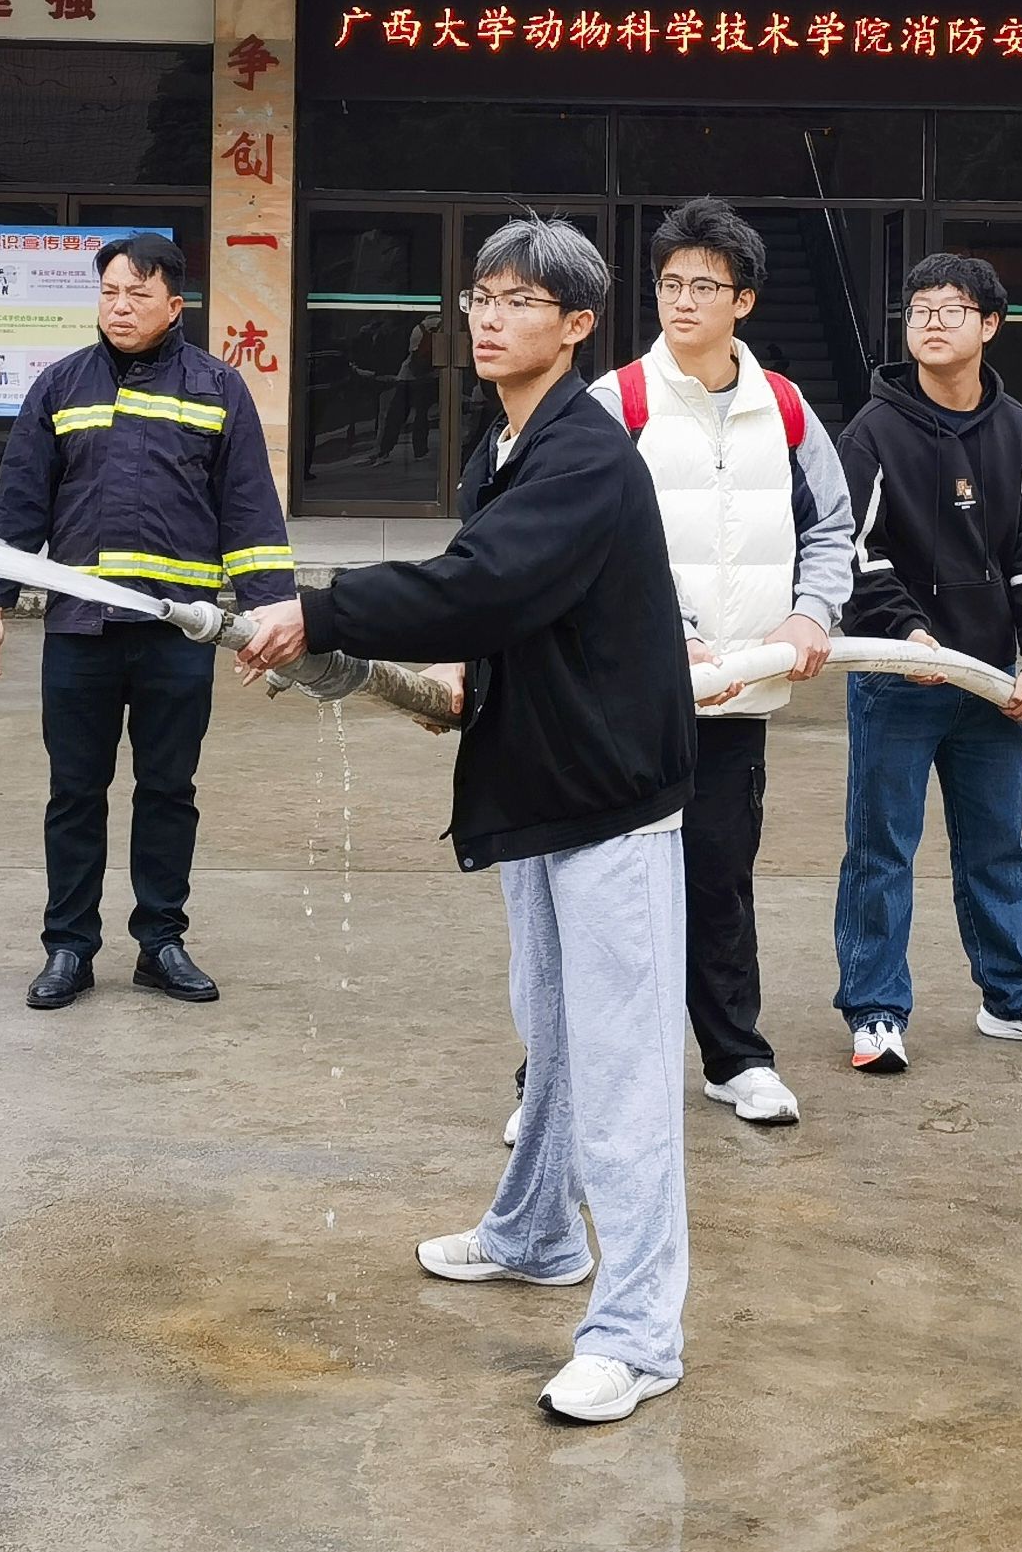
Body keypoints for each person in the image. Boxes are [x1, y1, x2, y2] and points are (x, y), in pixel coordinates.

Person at [237, 217, 696, 1427]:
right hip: (535, 785)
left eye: (518, 300)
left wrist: (324, 611)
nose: (488, 319)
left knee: (624, 1079)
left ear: (577, 326)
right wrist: (440, 678)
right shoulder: (505, 445)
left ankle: (638, 1335)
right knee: (553, 1037)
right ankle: (537, 1232)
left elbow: (487, 583)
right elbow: (504, 609)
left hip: (606, 800)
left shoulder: (584, 455)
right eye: (479, 296)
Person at [0, 232, 294, 1012]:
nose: (119, 307)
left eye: (137, 295)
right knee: (74, 791)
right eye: (109, 292)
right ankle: (69, 947)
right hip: (80, 632)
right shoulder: (60, 386)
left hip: (178, 637)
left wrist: (269, 616)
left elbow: (249, 508)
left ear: (174, 305)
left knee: (169, 789)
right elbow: (20, 502)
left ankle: (160, 942)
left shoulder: (217, 388)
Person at [602, 198, 855, 1129]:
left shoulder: (782, 407)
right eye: (670, 283)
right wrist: (662, 631)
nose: (682, 300)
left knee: (720, 884)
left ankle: (736, 1060)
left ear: (743, 299)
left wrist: (808, 612)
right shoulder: (616, 403)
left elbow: (832, 524)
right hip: (630, 699)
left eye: (704, 285)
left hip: (738, 697)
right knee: (606, 895)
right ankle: (557, 1079)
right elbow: (587, 540)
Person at [831, 253, 1022, 1073]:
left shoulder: (1018, 432)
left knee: (997, 846)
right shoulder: (872, 431)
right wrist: (906, 633)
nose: (932, 322)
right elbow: (852, 550)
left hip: (989, 680)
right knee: (881, 848)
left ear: (989, 324)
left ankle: (1013, 998)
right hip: (896, 677)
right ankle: (875, 1010)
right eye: (919, 310)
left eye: (951, 309)